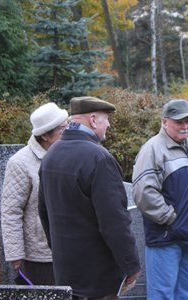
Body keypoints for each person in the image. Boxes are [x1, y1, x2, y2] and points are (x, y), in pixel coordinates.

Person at [38, 96, 140, 300]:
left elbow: (43, 211)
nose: (109, 124)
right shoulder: (99, 158)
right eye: (106, 119)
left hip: (65, 271)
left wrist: (59, 251)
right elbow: (114, 222)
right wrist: (131, 265)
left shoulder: (51, 154)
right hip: (98, 278)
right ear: (93, 120)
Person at [132, 99, 188, 300]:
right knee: (162, 295)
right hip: (166, 237)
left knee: (187, 294)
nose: (185, 125)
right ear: (164, 122)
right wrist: (171, 219)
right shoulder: (152, 150)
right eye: (179, 121)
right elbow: (143, 192)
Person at [1, 102, 68, 285]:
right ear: (45, 135)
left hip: (70, 248)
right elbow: (11, 211)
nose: (68, 131)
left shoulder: (67, 154)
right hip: (40, 255)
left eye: (68, 125)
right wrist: (15, 256)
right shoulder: (20, 163)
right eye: (62, 129)